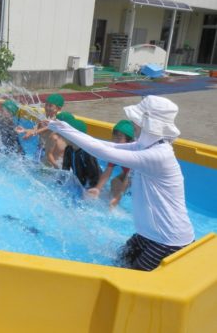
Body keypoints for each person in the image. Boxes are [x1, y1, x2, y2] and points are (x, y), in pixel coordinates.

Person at [47, 95, 194, 271]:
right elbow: (107, 146)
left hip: (168, 240)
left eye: (136, 120)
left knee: (132, 280)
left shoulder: (159, 155)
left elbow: (102, 152)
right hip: (147, 235)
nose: (133, 124)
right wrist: (67, 128)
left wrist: (66, 130)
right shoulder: (145, 146)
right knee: (116, 265)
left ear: (149, 124)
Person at [87, 120, 135, 208]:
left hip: (142, 178)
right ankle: (112, 204)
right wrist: (97, 188)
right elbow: (108, 171)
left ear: (130, 141)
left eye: (119, 138)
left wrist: (117, 198)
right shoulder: (116, 152)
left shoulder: (132, 155)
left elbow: (129, 178)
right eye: (114, 137)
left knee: (118, 187)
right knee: (114, 182)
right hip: (129, 175)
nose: (115, 140)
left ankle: (116, 206)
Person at [61, 118, 102, 189]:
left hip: (93, 185)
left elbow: (96, 176)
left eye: (67, 134)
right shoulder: (68, 149)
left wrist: (88, 190)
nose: (63, 135)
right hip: (79, 183)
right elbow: (65, 170)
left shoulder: (87, 153)